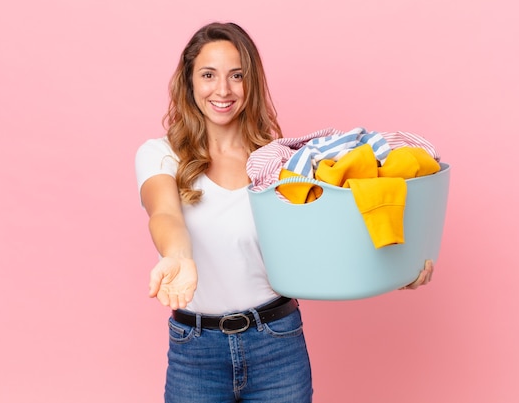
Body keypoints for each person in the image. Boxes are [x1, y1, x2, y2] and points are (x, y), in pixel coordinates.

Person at [135, 22, 434, 403]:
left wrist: (395, 270)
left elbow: (323, 247)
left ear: (252, 83)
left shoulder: (280, 162)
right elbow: (164, 213)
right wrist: (177, 255)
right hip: (196, 351)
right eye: (208, 75)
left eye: (237, 76)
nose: (222, 90)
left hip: (276, 343)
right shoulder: (160, 153)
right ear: (189, 82)